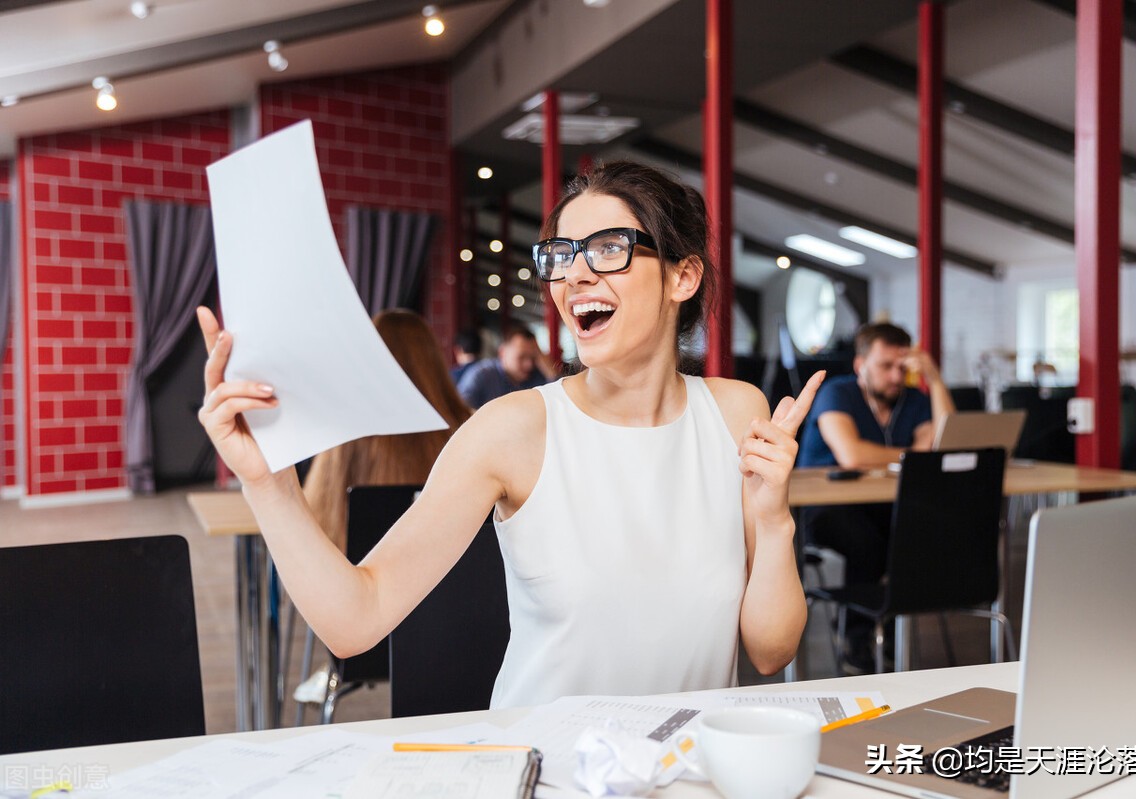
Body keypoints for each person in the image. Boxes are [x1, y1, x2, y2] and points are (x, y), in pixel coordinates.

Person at [196, 159, 824, 708]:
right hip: (548, 772)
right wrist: (267, 480)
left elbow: (771, 653)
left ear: (682, 278)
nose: (574, 276)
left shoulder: (738, 412)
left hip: (687, 771)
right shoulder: (513, 428)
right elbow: (356, 619)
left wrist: (773, 522)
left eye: (608, 248)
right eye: (560, 255)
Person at [797, 321, 953, 673]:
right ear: (860, 365)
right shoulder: (837, 392)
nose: (896, 376)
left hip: (882, 504)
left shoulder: (913, 400)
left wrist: (935, 378)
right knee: (870, 542)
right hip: (824, 507)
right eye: (886, 366)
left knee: (907, 533)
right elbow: (851, 454)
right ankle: (862, 633)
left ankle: (885, 626)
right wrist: (911, 451)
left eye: (903, 367)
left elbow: (943, 443)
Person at [304, 309, 474, 552]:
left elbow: (321, 515)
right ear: (433, 360)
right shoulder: (467, 428)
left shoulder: (346, 431)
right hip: (454, 578)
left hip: (353, 574)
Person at [455, 325, 555, 408]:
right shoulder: (482, 374)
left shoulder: (538, 376)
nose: (529, 364)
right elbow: (460, 410)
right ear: (502, 352)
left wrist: (549, 370)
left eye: (533, 357)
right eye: (522, 357)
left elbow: (560, 403)